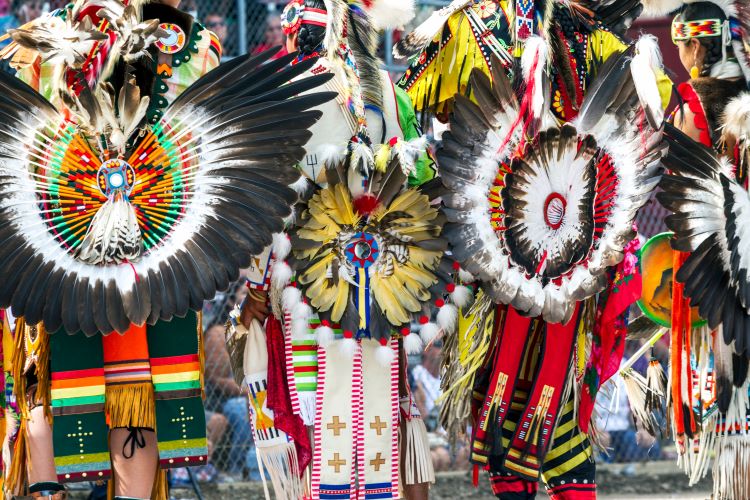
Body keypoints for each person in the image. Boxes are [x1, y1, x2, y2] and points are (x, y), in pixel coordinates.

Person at [0, 0, 334, 498]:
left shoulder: (189, 47)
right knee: (73, 385)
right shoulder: (179, 46)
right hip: (95, 253)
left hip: (129, 252)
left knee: (97, 390)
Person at [397, 2, 672, 498]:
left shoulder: (481, 28)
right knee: (528, 400)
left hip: (563, 253)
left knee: (530, 399)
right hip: (507, 250)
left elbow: (425, 110)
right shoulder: (587, 37)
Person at [641, 1, 750, 498]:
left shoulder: (693, 102)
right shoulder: (744, 93)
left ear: (697, 45)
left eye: (684, 44)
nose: (681, 53)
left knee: (730, 397)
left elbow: (674, 180)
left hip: (718, 271)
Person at [203, 323, 260, 479]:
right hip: (220, 399)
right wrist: (250, 391)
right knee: (242, 409)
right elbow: (216, 379)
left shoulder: (261, 330)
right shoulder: (217, 333)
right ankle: (235, 469)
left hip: (250, 392)